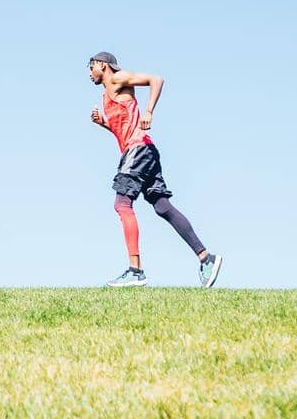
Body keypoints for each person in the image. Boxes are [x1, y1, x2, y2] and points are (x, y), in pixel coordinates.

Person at [88, 52, 222, 288]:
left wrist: (149, 111)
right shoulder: (106, 94)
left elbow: (156, 79)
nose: (90, 73)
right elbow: (123, 131)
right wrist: (105, 124)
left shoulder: (118, 79)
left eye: (91, 67)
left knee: (122, 204)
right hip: (143, 150)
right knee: (162, 207)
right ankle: (206, 258)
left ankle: (135, 271)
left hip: (138, 150)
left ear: (102, 65)